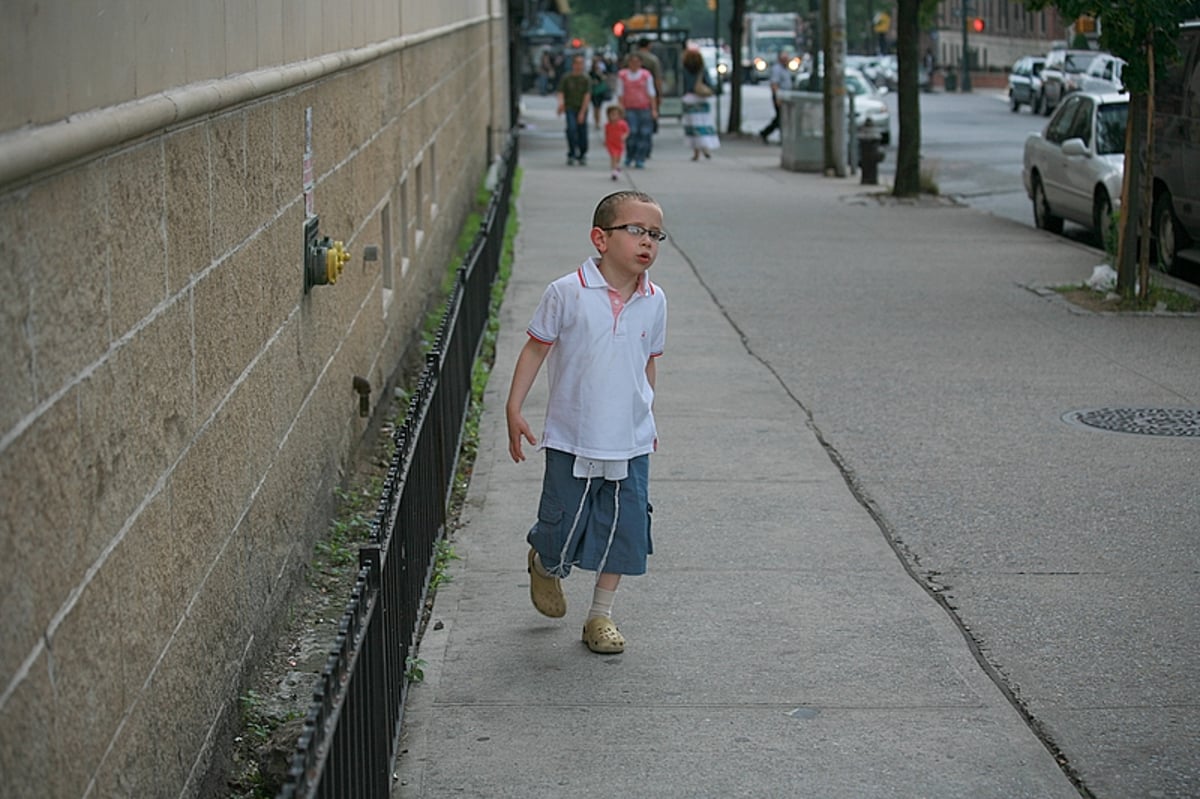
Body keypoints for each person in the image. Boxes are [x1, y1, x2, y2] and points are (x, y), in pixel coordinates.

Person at [506, 190, 668, 655]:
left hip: (630, 440)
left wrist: (646, 413)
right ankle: (545, 562)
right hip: (573, 437)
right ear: (601, 238)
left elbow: (647, 361)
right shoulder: (566, 292)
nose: (647, 242)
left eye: (655, 234)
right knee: (563, 525)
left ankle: (600, 616)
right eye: (635, 230)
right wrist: (514, 408)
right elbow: (537, 348)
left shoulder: (656, 301)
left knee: (624, 528)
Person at [616, 53, 657, 169]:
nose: (634, 64)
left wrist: (653, 109)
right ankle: (630, 155)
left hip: (644, 108)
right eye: (632, 62)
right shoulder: (623, 75)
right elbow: (620, 93)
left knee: (644, 133)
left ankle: (640, 158)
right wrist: (620, 108)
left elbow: (651, 93)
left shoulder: (646, 75)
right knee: (631, 132)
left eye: (637, 62)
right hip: (629, 108)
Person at [680, 49, 719, 161]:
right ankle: (705, 147)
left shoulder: (683, 70)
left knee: (692, 126)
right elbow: (710, 84)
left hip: (689, 98)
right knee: (704, 124)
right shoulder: (702, 70)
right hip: (702, 99)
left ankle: (696, 152)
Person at [557, 54, 591, 166]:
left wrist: (582, 112)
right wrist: (561, 104)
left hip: (581, 108)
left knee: (582, 131)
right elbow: (561, 91)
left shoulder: (585, 79)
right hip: (570, 107)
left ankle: (582, 153)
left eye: (581, 64)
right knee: (571, 130)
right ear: (573, 65)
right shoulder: (567, 78)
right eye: (577, 63)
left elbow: (587, 95)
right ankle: (571, 152)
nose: (579, 66)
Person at [635, 38, 664, 155]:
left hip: (631, 95)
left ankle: (636, 146)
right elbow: (657, 79)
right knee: (647, 123)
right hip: (648, 94)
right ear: (649, 45)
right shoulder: (653, 60)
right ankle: (645, 147)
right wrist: (659, 94)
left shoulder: (630, 58)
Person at [759, 50, 792, 144]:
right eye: (784, 59)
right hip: (779, 96)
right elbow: (774, 84)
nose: (786, 60)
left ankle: (765, 133)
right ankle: (776, 136)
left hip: (785, 96)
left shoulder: (785, 69)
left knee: (780, 117)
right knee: (781, 118)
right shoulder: (777, 69)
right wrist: (777, 97)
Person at [604, 105, 629, 180]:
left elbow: (627, 131)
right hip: (611, 143)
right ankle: (614, 171)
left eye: (615, 115)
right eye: (612, 115)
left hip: (619, 144)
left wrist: (624, 136)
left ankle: (617, 167)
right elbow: (607, 133)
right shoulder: (608, 125)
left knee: (618, 158)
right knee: (613, 157)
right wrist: (605, 141)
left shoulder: (622, 124)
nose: (613, 117)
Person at [589, 54, 611, 130]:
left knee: (598, 107)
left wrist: (600, 73)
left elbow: (605, 78)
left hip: (600, 91)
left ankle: (597, 121)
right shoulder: (590, 72)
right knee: (595, 107)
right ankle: (596, 121)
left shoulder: (602, 70)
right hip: (594, 92)